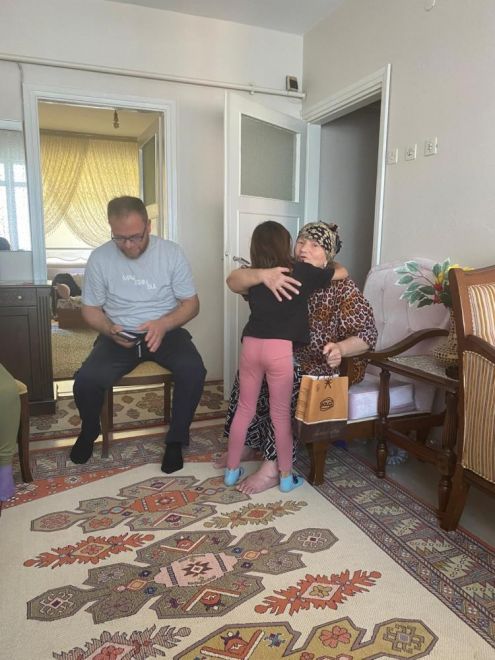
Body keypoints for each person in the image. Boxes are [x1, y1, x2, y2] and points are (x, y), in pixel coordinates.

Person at [219, 221, 378, 494]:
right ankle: (250, 443)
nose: (304, 248)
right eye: (301, 242)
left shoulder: (342, 287)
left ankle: (272, 466)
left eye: (314, 245)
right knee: (253, 382)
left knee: (287, 384)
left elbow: (367, 334)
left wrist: (341, 349)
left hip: (322, 364)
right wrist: (263, 275)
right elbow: (235, 280)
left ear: (328, 255)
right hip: (284, 354)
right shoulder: (282, 273)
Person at [70, 196, 206, 473]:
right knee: (85, 381)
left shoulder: (171, 253)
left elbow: (192, 304)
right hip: (119, 333)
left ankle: (176, 440)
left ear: (148, 226)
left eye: (135, 237)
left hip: (166, 331)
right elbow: (90, 309)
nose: (129, 245)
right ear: (111, 228)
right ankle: (90, 430)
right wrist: (108, 329)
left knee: (193, 370)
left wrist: (164, 324)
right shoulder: (100, 258)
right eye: (120, 238)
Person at [0, 364, 20, 510]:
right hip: (7, 390)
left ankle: (4, 488)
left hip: (5, 392)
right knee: (5, 449)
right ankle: (4, 489)